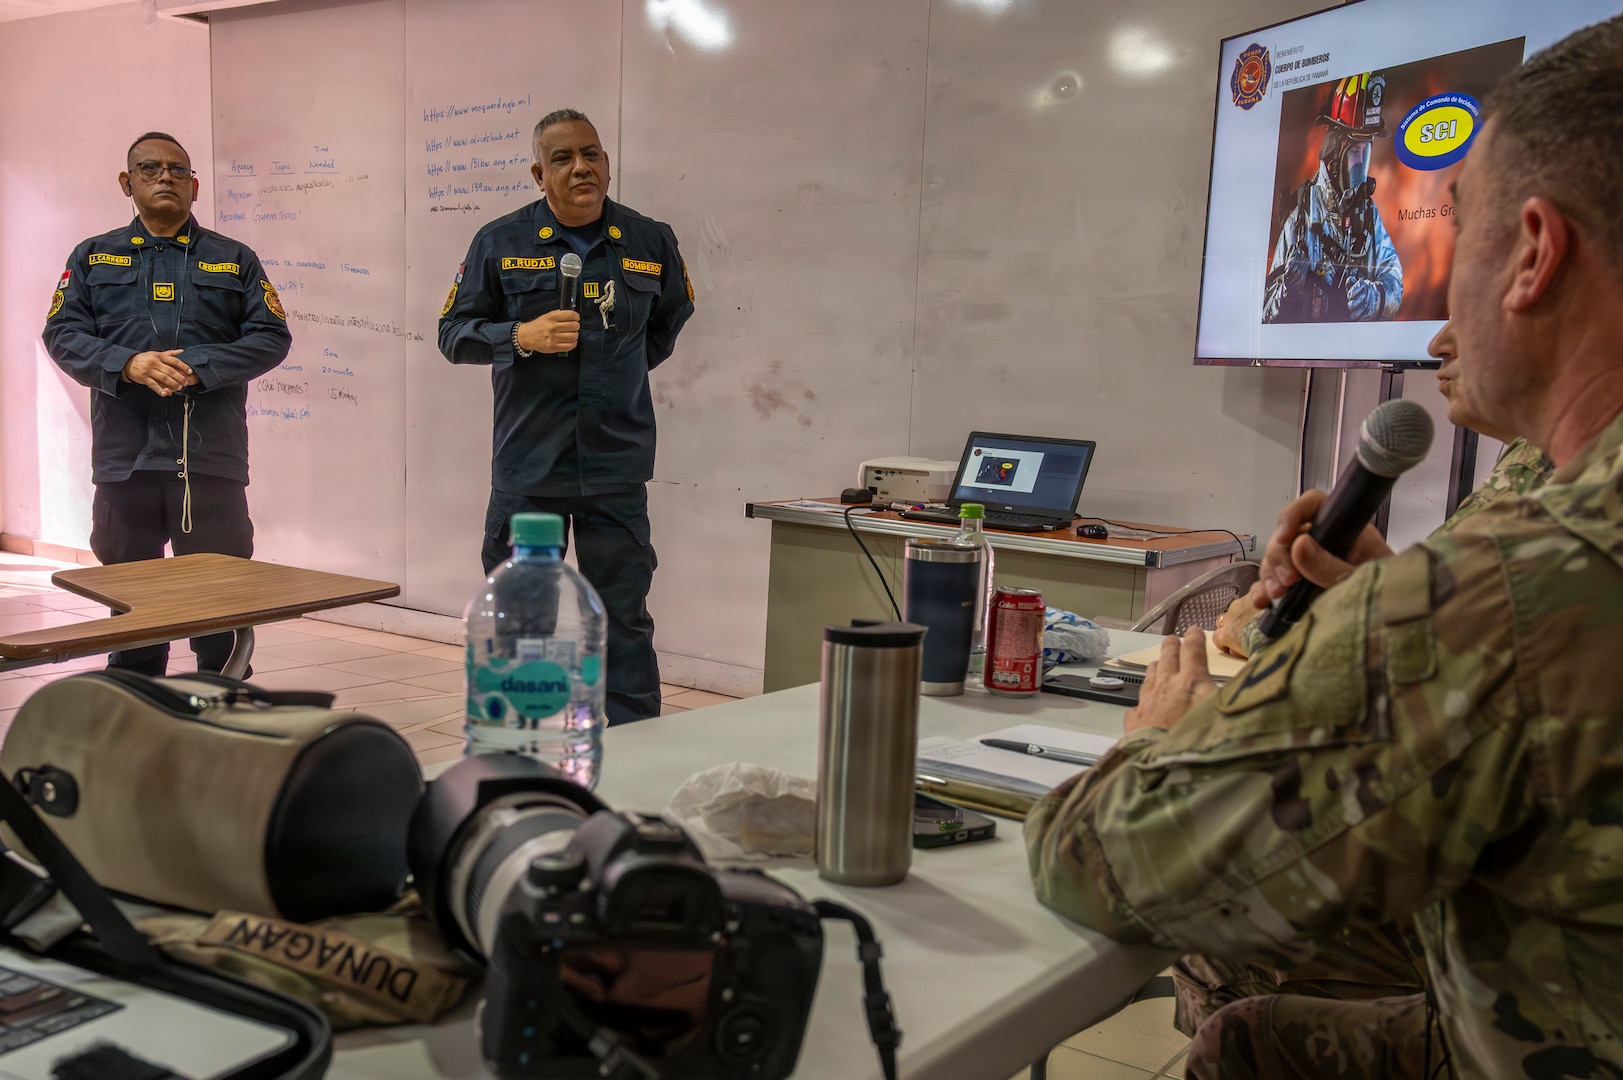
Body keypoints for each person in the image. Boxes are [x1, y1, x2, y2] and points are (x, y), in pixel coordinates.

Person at [1026, 16, 1623, 1077]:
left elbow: (1098, 857)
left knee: (1237, 967)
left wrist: (1159, 741)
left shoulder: (1520, 579)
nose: (1436, 323)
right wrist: (1381, 616)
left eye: (1463, 236)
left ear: (1534, 253)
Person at [439, 108, 694, 725]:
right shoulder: (499, 242)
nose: (582, 167)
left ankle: (639, 748)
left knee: (624, 617)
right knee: (525, 621)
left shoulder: (650, 240)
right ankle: (519, 745)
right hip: (530, 466)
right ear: (539, 174)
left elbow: (666, 324)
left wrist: (614, 373)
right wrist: (519, 336)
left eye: (591, 154)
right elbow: (453, 334)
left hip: (615, 464)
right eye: (563, 158)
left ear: (606, 162)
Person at [42, 132, 291, 677]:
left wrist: (198, 366)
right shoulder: (92, 257)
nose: (165, 178)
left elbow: (272, 337)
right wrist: (126, 364)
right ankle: (137, 703)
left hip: (209, 462)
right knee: (134, 612)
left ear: (194, 186)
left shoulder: (234, 259)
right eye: (150, 168)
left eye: (178, 170)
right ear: (126, 182)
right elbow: (61, 334)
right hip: (125, 461)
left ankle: (222, 705)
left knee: (219, 609)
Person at [1263, 72, 1403, 324]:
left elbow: (1393, 276)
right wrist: (1288, 289)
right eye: (1355, 152)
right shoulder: (1300, 219)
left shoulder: (1368, 214)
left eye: (1366, 152)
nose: (1361, 163)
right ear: (1334, 154)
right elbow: (1265, 314)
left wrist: (1375, 298)